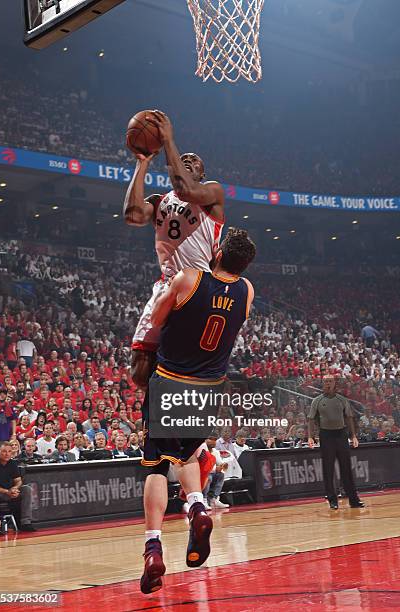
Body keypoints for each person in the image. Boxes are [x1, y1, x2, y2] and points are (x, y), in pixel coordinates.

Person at [139, 228, 255, 594]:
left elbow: (155, 322)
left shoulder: (189, 278)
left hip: (171, 380)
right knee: (187, 453)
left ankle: (153, 547)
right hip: (209, 388)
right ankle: (197, 507)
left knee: (158, 465)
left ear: (217, 251)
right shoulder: (247, 291)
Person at [123, 110, 225, 388]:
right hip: (167, 284)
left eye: (194, 162)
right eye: (184, 160)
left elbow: (185, 190)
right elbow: (132, 215)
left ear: (202, 173)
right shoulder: (159, 201)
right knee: (140, 372)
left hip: (200, 285)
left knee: (187, 366)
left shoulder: (211, 192)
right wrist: (142, 164)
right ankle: (155, 417)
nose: (188, 161)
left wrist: (168, 140)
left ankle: (182, 415)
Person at [308, 375, 364, 510]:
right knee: (328, 469)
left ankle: (353, 500)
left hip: (341, 435)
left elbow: (349, 418)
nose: (327, 383)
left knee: (346, 468)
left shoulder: (342, 400)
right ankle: (332, 499)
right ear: (322, 383)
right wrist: (311, 437)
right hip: (326, 435)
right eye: (325, 381)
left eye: (330, 381)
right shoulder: (317, 401)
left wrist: (353, 436)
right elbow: (311, 419)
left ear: (334, 383)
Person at [0, 442, 36, 531]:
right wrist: (6, 491)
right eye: (4, 451)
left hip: (9, 492)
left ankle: (25, 522)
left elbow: (18, 481)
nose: (7, 454)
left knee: (26, 489)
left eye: (9, 451)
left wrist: (15, 488)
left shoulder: (12, 463)